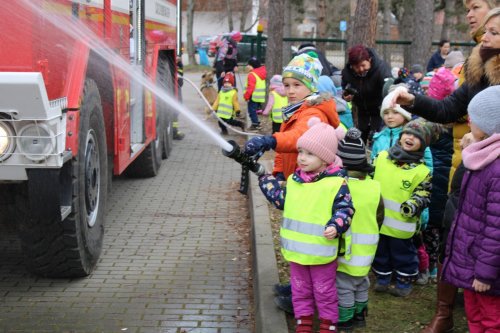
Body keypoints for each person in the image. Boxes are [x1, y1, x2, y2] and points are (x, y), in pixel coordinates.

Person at [409, 5, 500, 332]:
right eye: (484, 34)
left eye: (493, 33)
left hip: (492, 169)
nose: (483, 38)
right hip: (470, 166)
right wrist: (413, 102)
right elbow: (449, 107)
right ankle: (444, 312)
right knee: (455, 235)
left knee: (491, 238)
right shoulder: (480, 66)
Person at [258, 117, 354, 333]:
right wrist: (266, 182)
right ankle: (304, 321)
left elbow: (345, 209)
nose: (301, 158)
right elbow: (281, 200)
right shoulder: (294, 180)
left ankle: (328, 323)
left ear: (326, 158)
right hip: (297, 253)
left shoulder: (336, 183)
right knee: (300, 290)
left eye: (310, 154)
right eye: (300, 152)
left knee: (324, 290)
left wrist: (337, 225)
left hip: (321, 253)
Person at [441, 85, 500, 332]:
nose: (468, 121)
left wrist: (485, 273)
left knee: (491, 320)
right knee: (474, 316)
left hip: (487, 270)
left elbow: (496, 228)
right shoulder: (480, 157)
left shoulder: (495, 169)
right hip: (471, 260)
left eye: (472, 117)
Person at [243, 53, 340, 181]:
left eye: (297, 85)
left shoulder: (314, 112)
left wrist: (271, 141)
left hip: (306, 182)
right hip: (292, 177)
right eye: (287, 85)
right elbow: (282, 151)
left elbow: (299, 137)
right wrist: (279, 172)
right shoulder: (294, 110)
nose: (290, 91)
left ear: (311, 86)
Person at [372, 119, 437, 297]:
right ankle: (382, 278)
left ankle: (404, 280)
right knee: (380, 251)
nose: (410, 138)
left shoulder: (422, 171)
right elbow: (370, 175)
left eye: (416, 137)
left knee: (404, 254)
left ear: (423, 144)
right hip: (378, 220)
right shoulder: (383, 157)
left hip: (402, 223)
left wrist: (413, 204)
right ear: (400, 137)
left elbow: (424, 194)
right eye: (407, 134)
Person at [335, 128, 383, 332]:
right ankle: (360, 314)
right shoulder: (374, 186)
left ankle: (345, 320)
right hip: (369, 247)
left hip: (347, 247)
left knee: (344, 286)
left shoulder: (339, 186)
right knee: (361, 282)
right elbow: (380, 216)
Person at [341, 44, 392, 143]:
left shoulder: (381, 69)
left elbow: (388, 89)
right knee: (359, 141)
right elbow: (345, 87)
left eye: (363, 65)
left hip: (379, 111)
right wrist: (346, 95)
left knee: (378, 140)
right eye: (356, 67)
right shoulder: (348, 73)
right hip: (361, 112)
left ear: (369, 60)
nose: (360, 69)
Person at [243, 57, 267, 131]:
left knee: (251, 111)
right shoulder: (261, 73)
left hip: (253, 96)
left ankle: (255, 124)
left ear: (252, 66)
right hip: (259, 96)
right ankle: (256, 122)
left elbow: (250, 88)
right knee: (254, 110)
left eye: (248, 65)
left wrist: (246, 96)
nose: (247, 66)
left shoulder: (252, 74)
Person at [173, 56, 185, 140]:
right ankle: (174, 131)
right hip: (174, 90)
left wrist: (179, 65)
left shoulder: (178, 65)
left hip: (176, 88)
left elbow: (180, 78)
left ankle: (174, 131)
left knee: (175, 111)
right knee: (175, 111)